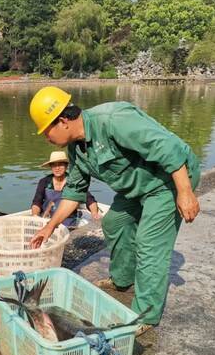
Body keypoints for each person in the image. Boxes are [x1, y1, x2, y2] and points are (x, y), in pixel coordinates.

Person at [28, 86, 201, 336]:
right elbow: (73, 193)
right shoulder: (77, 149)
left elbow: (167, 147)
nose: (47, 138)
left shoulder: (113, 120)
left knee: (149, 243)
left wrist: (185, 191)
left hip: (167, 181)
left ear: (63, 121)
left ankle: (146, 315)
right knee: (114, 223)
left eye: (47, 131)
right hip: (137, 186)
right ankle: (123, 280)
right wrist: (49, 226)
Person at [31, 150, 100, 227]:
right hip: (47, 220)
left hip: (68, 222)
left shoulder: (74, 182)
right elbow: (37, 202)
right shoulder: (44, 181)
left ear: (66, 166)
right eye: (54, 165)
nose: (57, 168)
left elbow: (90, 200)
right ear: (51, 167)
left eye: (60, 165)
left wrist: (94, 214)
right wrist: (35, 216)